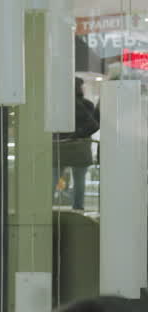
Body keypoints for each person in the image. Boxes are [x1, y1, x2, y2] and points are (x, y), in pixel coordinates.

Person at [54, 77, 100, 211]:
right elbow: (93, 125)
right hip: (80, 147)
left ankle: (48, 207)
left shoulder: (58, 104)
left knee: (53, 179)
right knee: (79, 182)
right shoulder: (87, 105)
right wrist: (78, 135)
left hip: (59, 146)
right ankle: (78, 208)